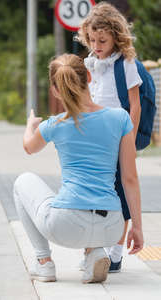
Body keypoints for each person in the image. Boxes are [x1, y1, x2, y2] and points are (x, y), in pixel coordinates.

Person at [14, 54, 143, 284]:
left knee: (22, 181)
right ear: (89, 77)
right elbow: (130, 179)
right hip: (112, 227)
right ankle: (94, 252)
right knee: (96, 202)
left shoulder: (54, 124)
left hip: (66, 226)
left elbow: (28, 147)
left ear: (55, 90)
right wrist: (137, 228)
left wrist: (29, 126)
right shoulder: (120, 118)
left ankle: (44, 263)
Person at [77, 1, 142, 273]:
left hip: (119, 138)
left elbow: (135, 105)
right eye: (92, 39)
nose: (96, 44)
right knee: (94, 192)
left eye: (102, 40)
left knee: (120, 195)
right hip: (95, 140)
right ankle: (93, 250)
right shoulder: (89, 63)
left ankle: (115, 254)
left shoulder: (125, 64)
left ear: (116, 35)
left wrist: (131, 141)